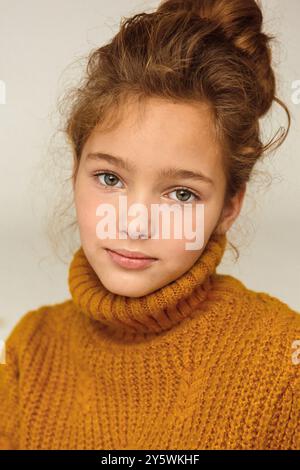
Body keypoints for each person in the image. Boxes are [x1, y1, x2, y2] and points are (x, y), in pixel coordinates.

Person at [0, 0, 299, 450]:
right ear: (74, 171)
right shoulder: (30, 350)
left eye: (181, 193)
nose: (134, 225)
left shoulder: (285, 362)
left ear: (229, 207)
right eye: (110, 178)